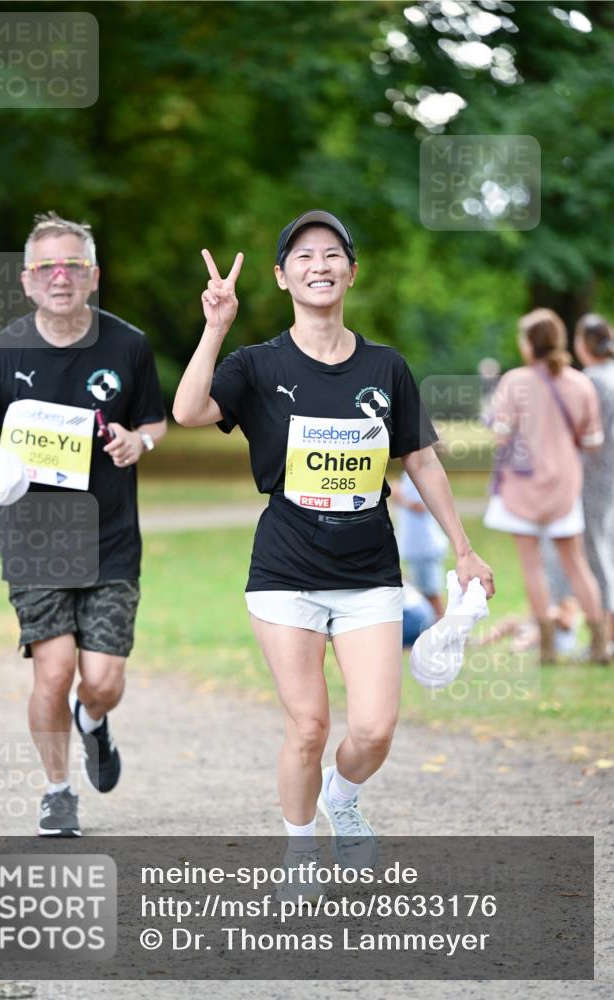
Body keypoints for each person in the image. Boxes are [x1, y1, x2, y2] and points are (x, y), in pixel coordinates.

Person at [173, 210, 493, 889]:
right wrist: (215, 327)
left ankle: (341, 797)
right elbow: (188, 412)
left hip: (368, 572)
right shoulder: (255, 364)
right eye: (302, 256)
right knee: (309, 725)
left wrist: (462, 549)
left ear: (351, 270)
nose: (318, 265)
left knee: (373, 729)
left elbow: (422, 462)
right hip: (285, 570)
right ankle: (298, 852)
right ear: (282, 276)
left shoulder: (385, 366)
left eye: (331, 254)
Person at [0, 211, 167, 835]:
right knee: (54, 668)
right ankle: (57, 789)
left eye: (73, 265)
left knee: (100, 681)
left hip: (112, 536)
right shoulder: (1, 351)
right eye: (47, 267)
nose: (60, 276)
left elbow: (155, 421)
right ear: (26, 280)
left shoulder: (129, 345)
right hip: (35, 535)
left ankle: (93, 721)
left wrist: (138, 443)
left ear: (93, 276)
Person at [483, 307, 607, 664]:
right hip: (565, 487)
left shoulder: (516, 382)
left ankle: (548, 646)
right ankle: (598, 642)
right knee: (577, 563)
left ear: (529, 344)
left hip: (522, 489)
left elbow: (501, 437)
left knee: (532, 565)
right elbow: (593, 441)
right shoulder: (581, 383)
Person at [574, 314, 614, 653]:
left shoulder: (592, 381)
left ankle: (606, 632)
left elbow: (589, 436)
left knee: (596, 551)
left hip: (596, 476)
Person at [391, 471, 448, 616]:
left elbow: (424, 505)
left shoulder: (425, 473)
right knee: (420, 591)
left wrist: (399, 496)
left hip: (424, 545)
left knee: (431, 594)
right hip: (414, 546)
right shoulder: (410, 473)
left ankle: (443, 633)